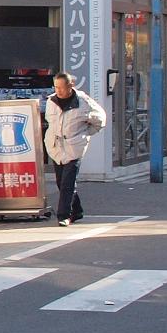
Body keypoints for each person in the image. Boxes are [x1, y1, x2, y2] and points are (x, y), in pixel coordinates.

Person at [42, 71, 106, 226]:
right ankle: (77, 210)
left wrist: (84, 135)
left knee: (67, 183)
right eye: (56, 87)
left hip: (74, 148)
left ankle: (64, 215)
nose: (58, 91)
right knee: (60, 182)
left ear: (70, 86)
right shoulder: (51, 101)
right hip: (56, 148)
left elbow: (100, 120)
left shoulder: (83, 102)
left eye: (61, 87)